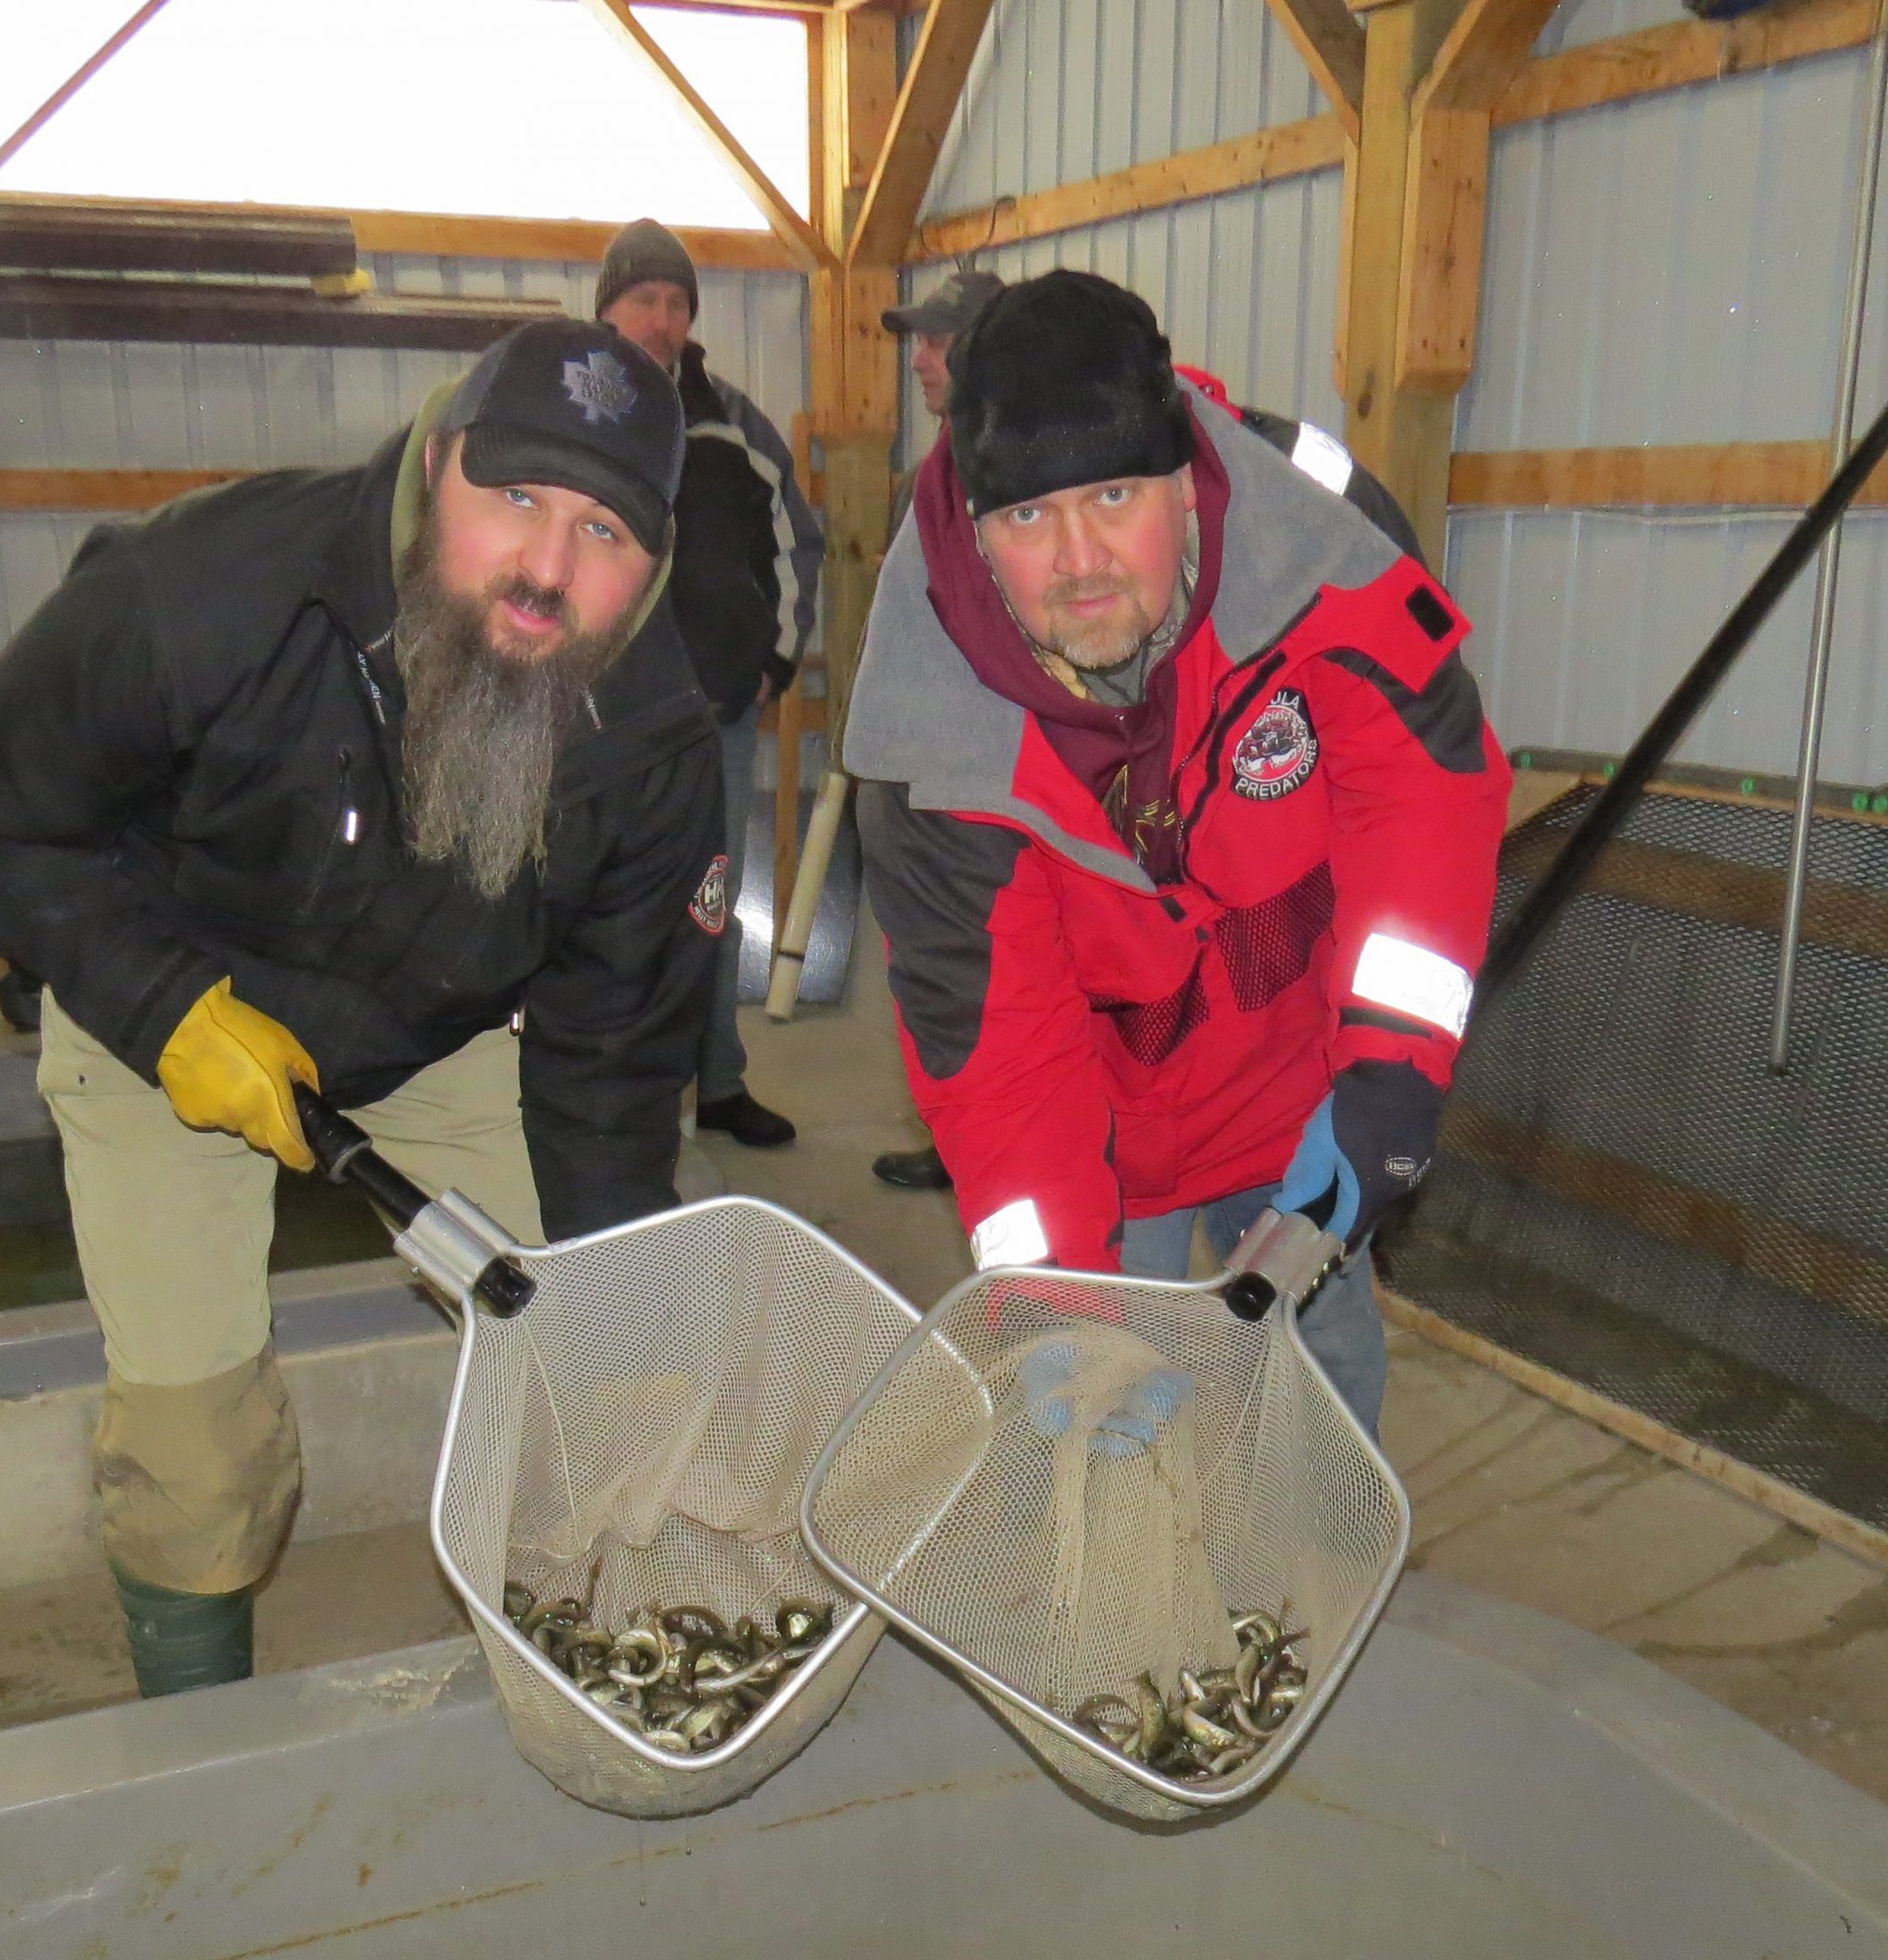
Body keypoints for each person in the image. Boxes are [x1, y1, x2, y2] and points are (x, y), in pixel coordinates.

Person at [0, 318, 725, 1697]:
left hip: (448, 1027)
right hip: (166, 997)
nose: (545, 569)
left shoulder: (650, 739)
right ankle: (197, 1730)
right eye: (516, 499)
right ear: (438, 463)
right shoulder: (202, 589)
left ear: (651, 568)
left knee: (599, 1363)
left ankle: (578, 1671)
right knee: (196, 1444)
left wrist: (607, 1314)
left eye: (603, 531)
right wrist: (163, 1008)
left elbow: (614, 1061)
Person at [846, 272, 1510, 1435]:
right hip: (1100, 1137)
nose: (1081, 558)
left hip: (1301, 1098)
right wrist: (1053, 1303)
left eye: (1114, 495)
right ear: (973, 527)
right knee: (1096, 1433)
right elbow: (996, 1055)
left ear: (1185, 486)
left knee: (1322, 1391)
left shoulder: (1315, 569)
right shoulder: (931, 737)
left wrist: (1392, 1073)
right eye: (1028, 518)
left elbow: (1421, 800)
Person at [596, 218, 825, 1149]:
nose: (662, 318)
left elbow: (796, 543)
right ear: (606, 310)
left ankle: (717, 1080)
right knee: (604, 902)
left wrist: (771, 662)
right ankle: (612, 1092)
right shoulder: (578, 413)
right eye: (644, 299)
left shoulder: (733, 421)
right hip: (601, 721)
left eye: (677, 303)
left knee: (710, 903)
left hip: (716, 713)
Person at [869, 267, 1003, 1195]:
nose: (918, 356)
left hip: (984, 786)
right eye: (915, 338)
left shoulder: (1010, 471)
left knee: (993, 984)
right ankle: (960, 1136)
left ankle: (996, 1152)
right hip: (926, 781)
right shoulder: (934, 471)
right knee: (936, 985)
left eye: (939, 339)